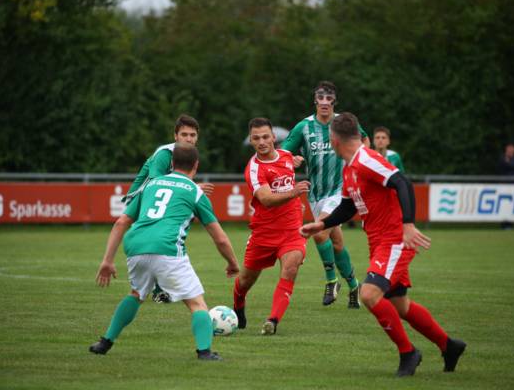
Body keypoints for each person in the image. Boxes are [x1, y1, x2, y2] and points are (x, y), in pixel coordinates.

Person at [300, 112, 466, 377]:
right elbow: (347, 206)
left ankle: (408, 353)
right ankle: (449, 346)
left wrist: (408, 224)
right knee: (399, 304)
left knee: (368, 294)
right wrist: (321, 224)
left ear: (334, 139)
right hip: (377, 241)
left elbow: (402, 182)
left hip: (394, 239)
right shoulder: (349, 166)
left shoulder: (366, 160)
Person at [89, 143, 240, 361]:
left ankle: (105, 342)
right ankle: (205, 352)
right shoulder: (195, 191)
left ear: (171, 164)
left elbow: (122, 221)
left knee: (137, 294)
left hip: (135, 246)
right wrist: (233, 263)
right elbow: (220, 238)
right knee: (197, 303)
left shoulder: (151, 185)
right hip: (167, 249)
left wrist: (108, 260)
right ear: (196, 165)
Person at [281, 80, 368, 308]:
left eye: (329, 99)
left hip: (341, 189)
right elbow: (282, 154)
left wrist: (359, 163)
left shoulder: (343, 125)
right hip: (316, 194)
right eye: (321, 98)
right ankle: (354, 285)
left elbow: (364, 141)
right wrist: (294, 159)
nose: (325, 103)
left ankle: (331, 281)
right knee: (336, 243)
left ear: (334, 102)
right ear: (315, 101)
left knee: (319, 233)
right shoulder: (304, 127)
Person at [124, 114, 215, 303]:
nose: (189, 139)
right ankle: (154, 288)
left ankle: (158, 288)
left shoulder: (188, 156)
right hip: (143, 198)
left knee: (173, 233)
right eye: (184, 134)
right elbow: (158, 182)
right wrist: (194, 189)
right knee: (166, 236)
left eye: (192, 135)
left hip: (161, 200)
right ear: (175, 136)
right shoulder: (165, 153)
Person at [233, 117, 310, 335]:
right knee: (246, 280)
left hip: (291, 230)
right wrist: (294, 192)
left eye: (266, 137)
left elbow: (288, 163)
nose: (262, 141)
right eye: (256, 138)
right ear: (251, 140)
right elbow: (266, 199)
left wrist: (295, 161)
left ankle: (272, 321)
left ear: (274, 137)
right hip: (264, 233)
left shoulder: (286, 156)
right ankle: (238, 305)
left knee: (291, 267)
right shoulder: (254, 169)